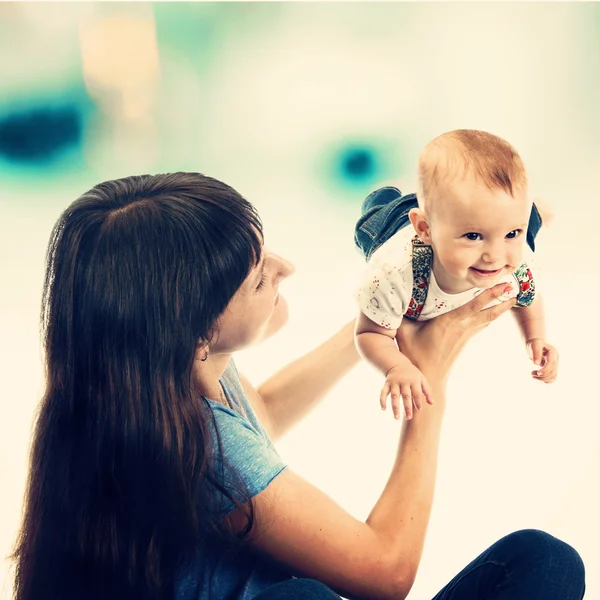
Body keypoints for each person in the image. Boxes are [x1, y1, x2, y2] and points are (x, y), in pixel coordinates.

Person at [12, 172, 584, 600]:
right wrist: (428, 379)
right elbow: (384, 575)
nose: (285, 267)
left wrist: (385, 321)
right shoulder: (206, 450)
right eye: (260, 274)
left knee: (543, 562)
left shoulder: (167, 378)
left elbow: (260, 413)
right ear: (195, 334)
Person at [354, 129, 558, 421]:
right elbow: (370, 333)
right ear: (424, 229)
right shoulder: (394, 274)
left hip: (459, 217)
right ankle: (387, 193)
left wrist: (534, 338)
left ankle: (531, 215)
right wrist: (397, 366)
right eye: (473, 236)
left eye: (511, 233)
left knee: (519, 228)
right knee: (373, 220)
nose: (494, 256)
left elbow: (528, 299)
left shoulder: (514, 266)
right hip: (393, 226)